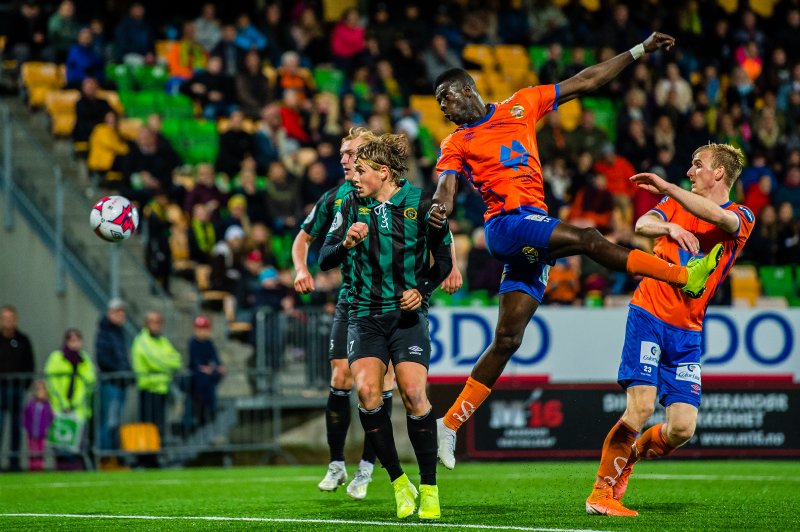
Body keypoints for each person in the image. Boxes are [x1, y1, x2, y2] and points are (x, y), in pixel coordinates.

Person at [430, 33, 725, 470]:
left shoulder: (521, 103)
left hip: (532, 237)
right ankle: (684, 276)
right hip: (507, 227)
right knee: (588, 239)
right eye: (438, 103)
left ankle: (448, 424)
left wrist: (639, 50)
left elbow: (586, 81)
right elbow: (446, 186)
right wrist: (440, 207)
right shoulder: (456, 142)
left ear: (466, 89)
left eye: (445, 97)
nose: (443, 108)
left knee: (508, 338)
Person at [586, 143, 753, 517]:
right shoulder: (677, 205)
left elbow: (720, 220)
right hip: (649, 313)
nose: (690, 172)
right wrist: (670, 225)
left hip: (688, 332)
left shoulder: (741, 214)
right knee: (642, 406)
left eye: (698, 166)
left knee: (681, 429)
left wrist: (666, 187)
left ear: (720, 174)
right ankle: (600, 493)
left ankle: (626, 460)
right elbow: (642, 225)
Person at [319, 134, 453, 520]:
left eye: (360, 170)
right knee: (365, 392)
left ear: (383, 172)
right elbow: (325, 258)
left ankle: (428, 487)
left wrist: (422, 289)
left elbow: (442, 260)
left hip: (406, 317)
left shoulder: (423, 205)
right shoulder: (348, 203)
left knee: (413, 394)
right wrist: (345, 242)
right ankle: (398, 482)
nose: (353, 175)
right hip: (363, 314)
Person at [292, 127, 393, 499]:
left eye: (350, 152)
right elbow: (304, 238)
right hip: (351, 298)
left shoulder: (393, 193)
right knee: (340, 376)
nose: (343, 159)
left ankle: (367, 467)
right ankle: (337, 463)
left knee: (381, 386)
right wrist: (301, 269)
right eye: (342, 153)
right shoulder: (335, 197)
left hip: (388, 300)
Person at [131, 311, 182, 466]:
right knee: (147, 425)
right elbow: (155, 360)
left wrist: (164, 364)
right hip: (148, 387)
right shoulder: (142, 340)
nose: (156, 325)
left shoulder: (163, 341)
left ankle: (154, 456)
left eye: (159, 322)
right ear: (147, 323)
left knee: (158, 426)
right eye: (153, 321)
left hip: (161, 388)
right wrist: (166, 365)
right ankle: (145, 457)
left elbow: (177, 360)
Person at [44, 329, 96, 471]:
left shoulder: (84, 359)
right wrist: (64, 402)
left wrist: (75, 402)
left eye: (78, 340)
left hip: (79, 408)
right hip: (59, 406)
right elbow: (52, 381)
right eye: (72, 340)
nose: (75, 343)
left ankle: (76, 468)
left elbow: (89, 381)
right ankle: (62, 467)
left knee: (77, 442)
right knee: (61, 440)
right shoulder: (57, 357)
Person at [95, 298, 130, 468]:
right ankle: (106, 458)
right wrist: (120, 372)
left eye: (123, 311)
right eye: (118, 311)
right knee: (108, 422)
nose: (121, 314)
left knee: (115, 423)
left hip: (120, 382)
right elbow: (103, 359)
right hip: (111, 382)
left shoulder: (118, 332)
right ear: (110, 313)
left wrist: (128, 374)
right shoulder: (105, 332)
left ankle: (114, 458)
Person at [0, 305, 35, 472]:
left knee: (16, 427)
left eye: (11, 318)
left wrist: (25, 384)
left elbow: (30, 363)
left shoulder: (22, 340)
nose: (8, 322)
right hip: (1, 389)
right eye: (5, 318)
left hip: (17, 389)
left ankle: (14, 462)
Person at [187, 316, 224, 429]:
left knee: (211, 403)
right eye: (199, 329)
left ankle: (210, 422)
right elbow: (196, 362)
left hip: (208, 381)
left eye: (205, 329)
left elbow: (215, 358)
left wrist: (218, 367)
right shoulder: (193, 343)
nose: (202, 332)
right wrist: (205, 368)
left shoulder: (209, 343)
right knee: (198, 405)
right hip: (197, 381)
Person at [23, 380, 54, 472]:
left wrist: (47, 428)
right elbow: (26, 416)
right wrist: (27, 427)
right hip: (32, 433)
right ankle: (32, 467)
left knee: (40, 452)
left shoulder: (47, 406)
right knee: (32, 452)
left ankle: (39, 468)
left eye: (42, 390)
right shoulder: (31, 405)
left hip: (42, 433)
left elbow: (50, 417)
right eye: (38, 390)